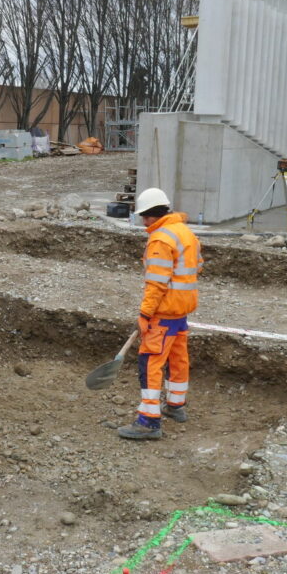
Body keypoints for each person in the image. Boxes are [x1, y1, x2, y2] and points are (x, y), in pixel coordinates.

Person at [118, 187, 203, 441]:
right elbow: (197, 264)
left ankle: (148, 421)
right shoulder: (185, 233)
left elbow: (156, 283)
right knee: (178, 360)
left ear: (153, 215)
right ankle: (176, 406)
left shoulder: (160, 240)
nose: (143, 221)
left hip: (163, 314)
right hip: (181, 312)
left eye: (145, 216)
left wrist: (145, 314)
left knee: (150, 363)